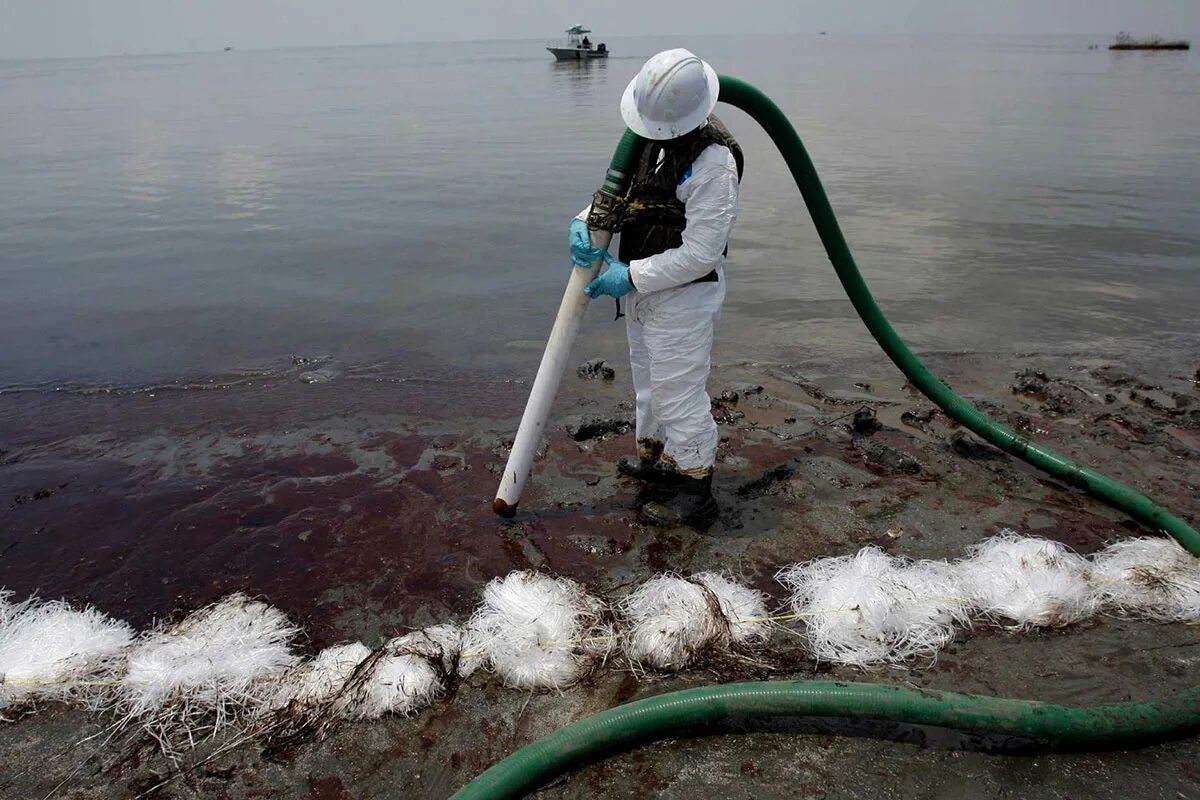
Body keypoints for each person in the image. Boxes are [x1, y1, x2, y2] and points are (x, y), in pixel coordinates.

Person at [568, 48, 743, 529]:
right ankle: (655, 460)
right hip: (644, 290)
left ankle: (696, 489)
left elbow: (702, 253)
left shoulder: (714, 163)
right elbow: (621, 193)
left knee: (679, 394)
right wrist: (584, 222)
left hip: (684, 296)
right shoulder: (650, 138)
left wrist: (630, 275)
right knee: (648, 388)